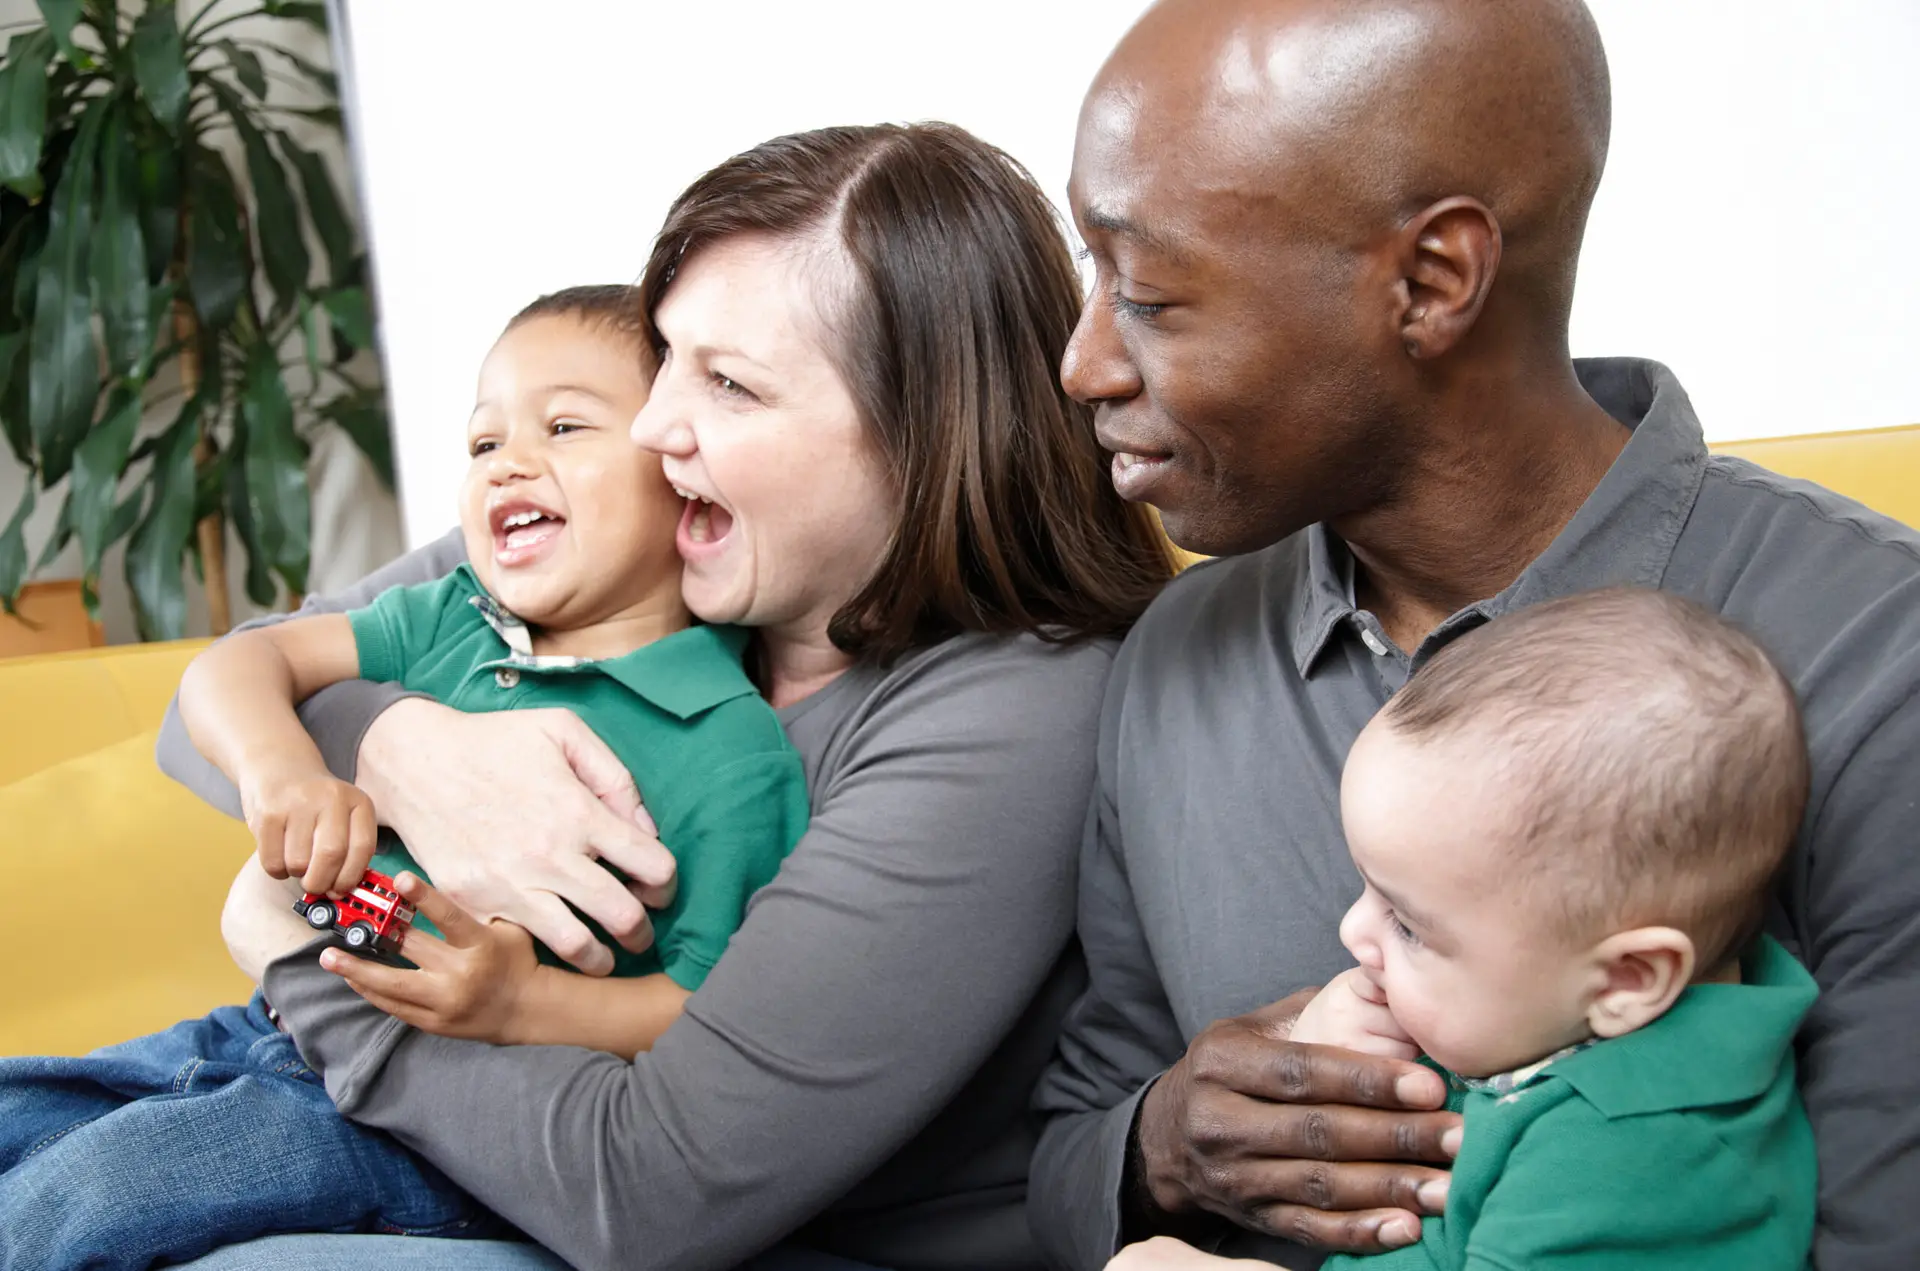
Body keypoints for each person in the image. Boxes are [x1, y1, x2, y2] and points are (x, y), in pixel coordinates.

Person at [155, 122, 1176, 1271]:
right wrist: (396, 743)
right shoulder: (651, 546)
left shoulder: (1013, 711)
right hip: (460, 1141)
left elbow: (652, 1196)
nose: (650, 428)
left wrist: (297, 955)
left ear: (926, 434)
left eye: (729, 385)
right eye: (666, 360)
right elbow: (215, 696)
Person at [1028, 1, 1920, 1269]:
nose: (1083, 363)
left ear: (1434, 280)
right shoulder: (1175, 651)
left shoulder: (1882, 665)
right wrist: (1160, 1142)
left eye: (1152, 295)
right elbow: (1065, 1158)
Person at [0, 287, 811, 1269]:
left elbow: (710, 1011)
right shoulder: (450, 616)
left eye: (562, 425)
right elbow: (234, 667)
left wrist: (529, 1005)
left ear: (683, 475)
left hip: (437, 1127)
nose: (508, 460)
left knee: (66, 1206)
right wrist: (286, 773)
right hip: (275, 1019)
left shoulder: (730, 746)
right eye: (483, 443)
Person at [1112, 588, 1818, 1271]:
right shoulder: (1547, 1013)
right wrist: (1331, 1053)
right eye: (1367, 888)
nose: (1355, 930)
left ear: (1628, 979)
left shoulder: (1641, 1163)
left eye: (1409, 927)